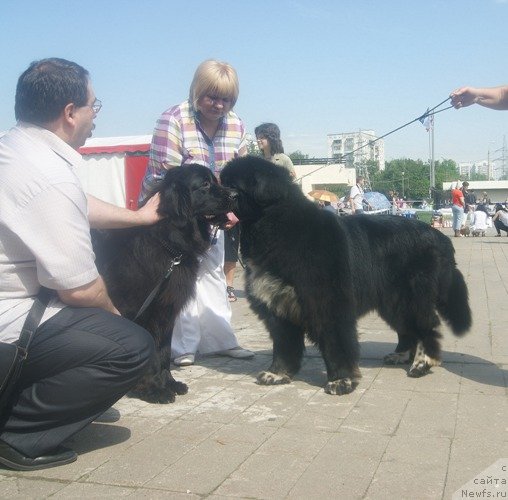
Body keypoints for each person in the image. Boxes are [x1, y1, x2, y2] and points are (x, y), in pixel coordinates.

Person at [0, 58, 159, 471]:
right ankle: (18, 435)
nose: (95, 117)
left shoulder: (16, 149)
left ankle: (63, 401)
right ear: (70, 113)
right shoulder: (48, 173)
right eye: (94, 105)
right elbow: (80, 289)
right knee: (130, 346)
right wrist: (118, 317)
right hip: (7, 322)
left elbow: (76, 205)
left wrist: (139, 218)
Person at [139, 59, 254, 367]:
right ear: (197, 91)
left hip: (214, 215)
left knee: (214, 271)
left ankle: (220, 341)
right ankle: (182, 345)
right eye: (212, 97)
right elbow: (167, 178)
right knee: (182, 276)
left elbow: (238, 172)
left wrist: (231, 208)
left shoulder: (237, 126)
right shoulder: (173, 119)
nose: (219, 105)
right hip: (175, 217)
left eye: (226, 99)